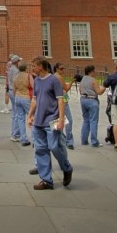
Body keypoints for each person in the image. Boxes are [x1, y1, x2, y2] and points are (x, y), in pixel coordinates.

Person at [27, 56, 73, 191]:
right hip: (38, 122)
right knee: (40, 150)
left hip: (52, 120)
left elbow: (61, 100)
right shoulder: (36, 81)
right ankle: (46, 180)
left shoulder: (54, 80)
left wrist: (61, 119)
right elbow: (35, 99)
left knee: (55, 147)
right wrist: (30, 116)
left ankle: (66, 168)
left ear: (41, 66)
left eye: (34, 65)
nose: (33, 68)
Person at [79, 65, 106, 147]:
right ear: (91, 71)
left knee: (86, 120)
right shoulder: (93, 80)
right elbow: (99, 92)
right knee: (93, 121)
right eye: (94, 71)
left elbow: (80, 90)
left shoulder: (83, 79)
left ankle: (84, 140)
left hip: (83, 99)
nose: (95, 72)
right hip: (92, 100)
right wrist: (104, 87)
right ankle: (94, 141)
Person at [53, 62, 75, 149]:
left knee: (58, 120)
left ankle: (59, 138)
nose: (63, 70)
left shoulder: (53, 76)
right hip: (63, 100)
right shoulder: (59, 77)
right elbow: (66, 88)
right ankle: (69, 141)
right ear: (57, 69)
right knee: (69, 120)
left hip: (56, 100)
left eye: (63, 68)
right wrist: (72, 81)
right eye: (61, 69)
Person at [13, 60, 33, 146]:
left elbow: (14, 90)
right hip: (26, 97)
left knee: (20, 118)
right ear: (26, 67)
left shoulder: (15, 77)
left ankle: (23, 139)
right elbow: (33, 87)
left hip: (18, 97)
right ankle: (35, 139)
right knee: (31, 117)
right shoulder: (28, 76)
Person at [8, 55, 22, 141]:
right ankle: (15, 134)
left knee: (14, 113)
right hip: (14, 91)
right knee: (17, 113)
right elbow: (15, 82)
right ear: (17, 62)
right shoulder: (16, 71)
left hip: (10, 90)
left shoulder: (10, 69)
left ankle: (13, 133)